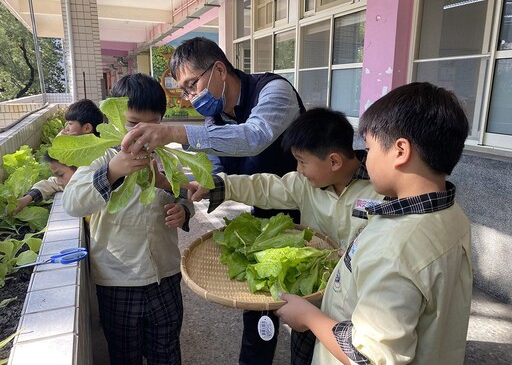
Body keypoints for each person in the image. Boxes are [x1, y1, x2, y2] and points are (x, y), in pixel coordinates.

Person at [121, 37, 306, 365]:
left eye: (193, 85)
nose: (192, 98)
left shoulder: (274, 91)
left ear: (219, 69)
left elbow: (253, 137)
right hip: (264, 209)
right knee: (259, 301)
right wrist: (205, 185)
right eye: (186, 92)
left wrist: (175, 134)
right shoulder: (216, 116)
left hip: (307, 207)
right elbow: (219, 163)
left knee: (306, 303)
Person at [275, 82, 472, 365]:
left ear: (400, 151)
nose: (364, 158)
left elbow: (368, 356)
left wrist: (307, 316)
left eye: (369, 148)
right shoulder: (452, 215)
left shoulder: (395, 248)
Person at [185, 107, 385, 365]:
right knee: (302, 357)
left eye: (303, 162)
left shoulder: (379, 191)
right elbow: (265, 187)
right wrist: (219, 184)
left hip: (353, 308)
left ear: (334, 161)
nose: (298, 170)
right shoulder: (305, 185)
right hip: (310, 296)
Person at [62, 73, 194, 365]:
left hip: (166, 275)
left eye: (152, 125)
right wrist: (112, 171)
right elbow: (71, 203)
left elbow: (186, 193)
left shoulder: (168, 157)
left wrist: (183, 208)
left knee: (167, 353)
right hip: (118, 280)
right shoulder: (100, 158)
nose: (141, 134)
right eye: (133, 124)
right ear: (114, 119)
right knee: (124, 355)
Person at [12, 99, 103, 214]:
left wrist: (59, 145)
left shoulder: (97, 159)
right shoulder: (80, 156)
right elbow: (56, 182)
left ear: (87, 128)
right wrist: (27, 198)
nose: (66, 129)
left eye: (70, 124)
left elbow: (66, 180)